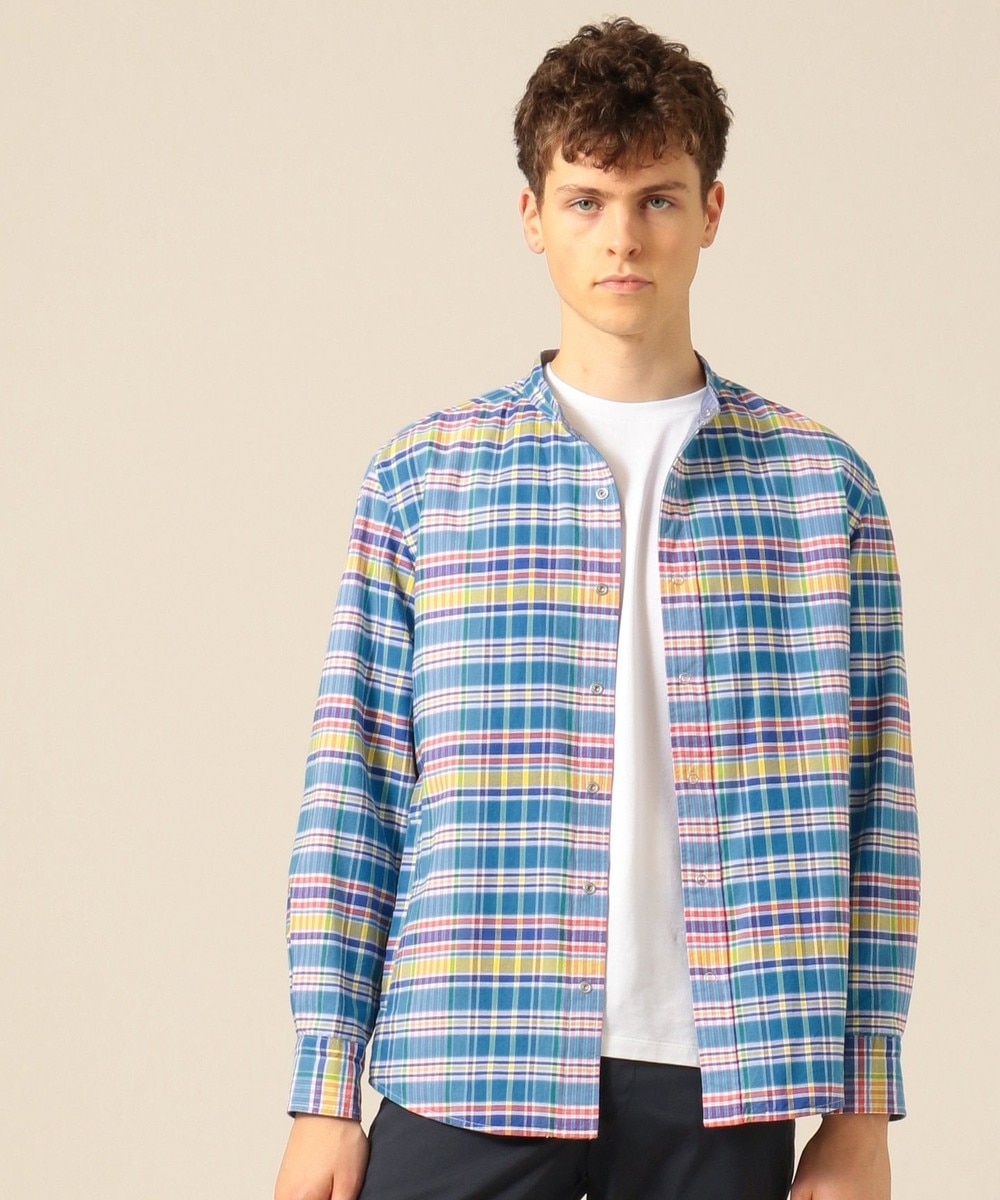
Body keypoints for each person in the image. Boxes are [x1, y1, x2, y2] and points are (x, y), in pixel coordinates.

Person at [274, 16, 920, 1200]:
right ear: (532, 216)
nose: (622, 237)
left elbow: (875, 811)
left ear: (710, 210)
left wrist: (861, 1111)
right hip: (471, 1050)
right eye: (585, 200)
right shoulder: (424, 480)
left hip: (723, 1076)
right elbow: (352, 792)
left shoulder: (820, 488)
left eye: (656, 199)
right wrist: (325, 1091)